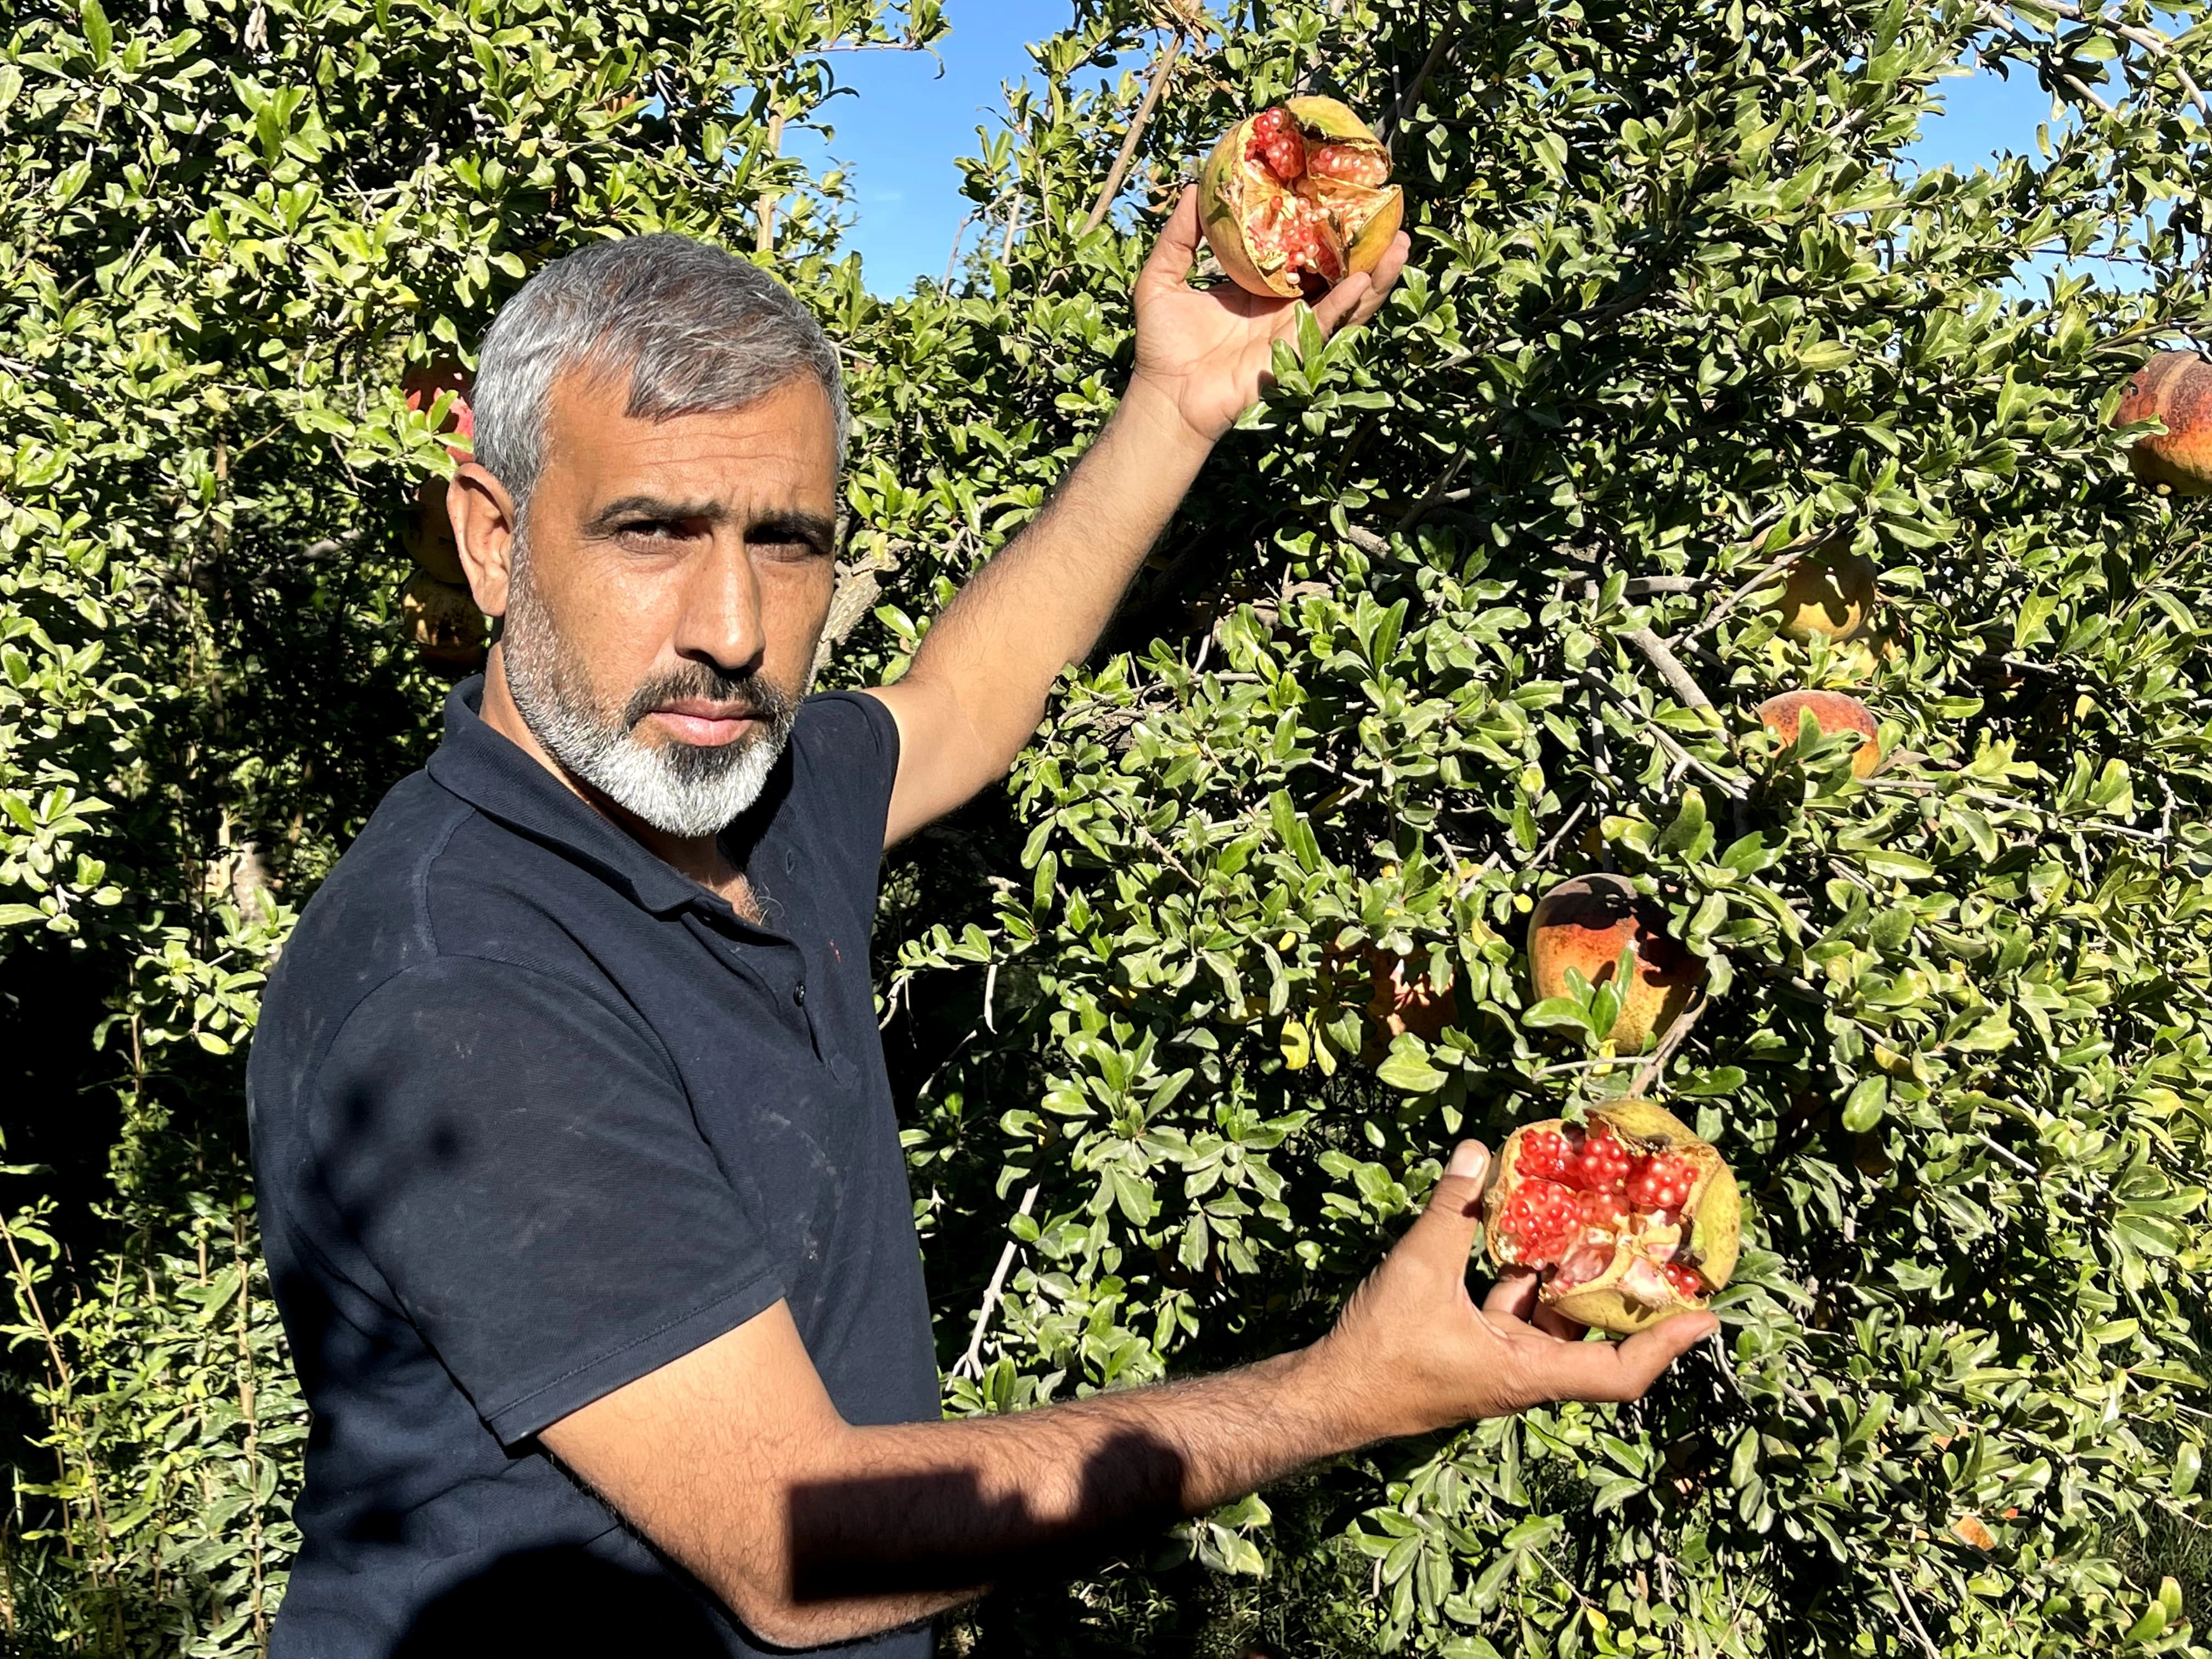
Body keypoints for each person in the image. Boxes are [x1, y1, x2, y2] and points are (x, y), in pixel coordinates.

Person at [246, 192, 1716, 1659]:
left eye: (789, 543)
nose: (735, 627)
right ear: (493, 539)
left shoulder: (727, 784)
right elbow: (790, 1541)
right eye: (653, 533)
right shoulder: (461, 990)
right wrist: (1344, 1390)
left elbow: (961, 700)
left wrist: (1176, 405)